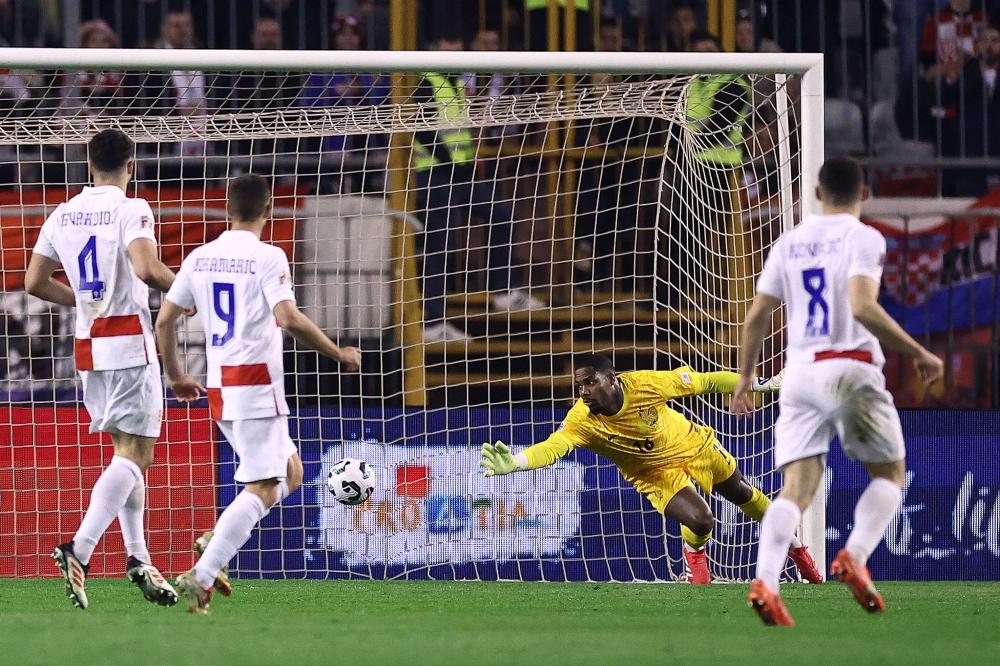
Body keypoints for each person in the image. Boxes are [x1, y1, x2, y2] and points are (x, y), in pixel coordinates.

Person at [731, 156, 944, 626]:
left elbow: (755, 317)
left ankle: (766, 580)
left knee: (794, 492)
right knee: (889, 474)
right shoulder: (865, 237)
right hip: (851, 367)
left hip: (801, 374)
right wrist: (919, 353)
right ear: (864, 194)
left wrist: (746, 377)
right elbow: (863, 307)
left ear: (817, 194)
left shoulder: (788, 243)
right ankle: (855, 554)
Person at [156, 174, 361, 615]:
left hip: (219, 385)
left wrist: (175, 376)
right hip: (255, 386)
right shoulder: (270, 256)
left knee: (292, 472)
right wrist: (336, 351)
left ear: (227, 209)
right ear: (268, 211)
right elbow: (287, 316)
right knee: (264, 487)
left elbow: (164, 320)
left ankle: (218, 538)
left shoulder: (199, 256)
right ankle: (203, 574)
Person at [480, 353, 822, 585]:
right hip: (653, 474)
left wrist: (760, 384)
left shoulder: (645, 384)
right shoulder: (581, 421)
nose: (583, 392)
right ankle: (695, 555)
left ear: (611, 378)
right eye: (579, 385)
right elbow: (553, 448)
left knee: (744, 494)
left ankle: (797, 551)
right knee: (702, 520)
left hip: (693, 444)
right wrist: (518, 462)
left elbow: (704, 381)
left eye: (590, 382)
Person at [24, 128, 180, 610]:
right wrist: (184, 292)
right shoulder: (130, 208)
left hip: (90, 346)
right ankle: (81, 548)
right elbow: (148, 269)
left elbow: (33, 282)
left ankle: (138, 557)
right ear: (130, 165)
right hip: (130, 344)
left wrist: (82, 301)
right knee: (137, 456)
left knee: (125, 454)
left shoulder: (63, 212)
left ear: (88, 164)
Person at [413, 33, 544, 343]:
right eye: (450, 52)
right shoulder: (426, 81)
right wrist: (451, 163)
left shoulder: (457, 83)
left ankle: (504, 294)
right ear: (436, 51)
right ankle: (432, 323)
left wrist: (466, 165)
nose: (456, 60)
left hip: (461, 172)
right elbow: (422, 130)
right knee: (439, 246)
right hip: (434, 173)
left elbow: (459, 133)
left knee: (501, 217)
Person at [940, 26, 1000, 196]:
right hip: (971, 156)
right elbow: (947, 100)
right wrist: (951, 78)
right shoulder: (966, 71)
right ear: (978, 45)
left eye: (995, 40)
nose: (989, 45)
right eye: (985, 41)